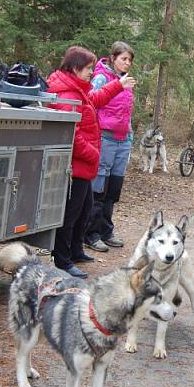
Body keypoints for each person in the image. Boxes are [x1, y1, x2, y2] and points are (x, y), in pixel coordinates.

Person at [46, 46, 136, 278]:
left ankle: (76, 250)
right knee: (70, 214)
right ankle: (62, 259)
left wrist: (118, 85)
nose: (91, 72)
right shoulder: (68, 95)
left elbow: (95, 99)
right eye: (87, 68)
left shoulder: (78, 89)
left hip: (84, 166)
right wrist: (94, 153)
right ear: (76, 68)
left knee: (84, 209)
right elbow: (72, 135)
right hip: (74, 167)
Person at [84, 42, 136, 253]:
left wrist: (129, 133)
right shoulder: (101, 78)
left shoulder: (126, 81)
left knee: (114, 187)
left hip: (123, 139)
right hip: (105, 138)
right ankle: (91, 233)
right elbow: (92, 103)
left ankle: (106, 230)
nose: (127, 63)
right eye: (124, 58)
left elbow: (125, 110)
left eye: (130, 60)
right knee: (99, 187)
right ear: (113, 58)